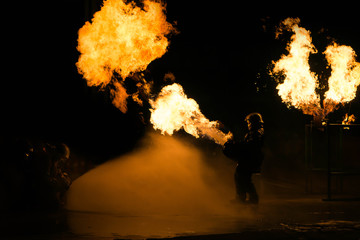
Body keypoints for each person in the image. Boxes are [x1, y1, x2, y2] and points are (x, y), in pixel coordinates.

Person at [223, 113, 265, 204]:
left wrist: (235, 145)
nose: (248, 125)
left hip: (251, 160)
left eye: (250, 123)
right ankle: (241, 198)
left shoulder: (256, 133)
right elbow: (246, 144)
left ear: (254, 123)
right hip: (249, 159)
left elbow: (249, 146)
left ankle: (251, 199)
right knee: (240, 177)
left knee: (244, 178)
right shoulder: (253, 133)